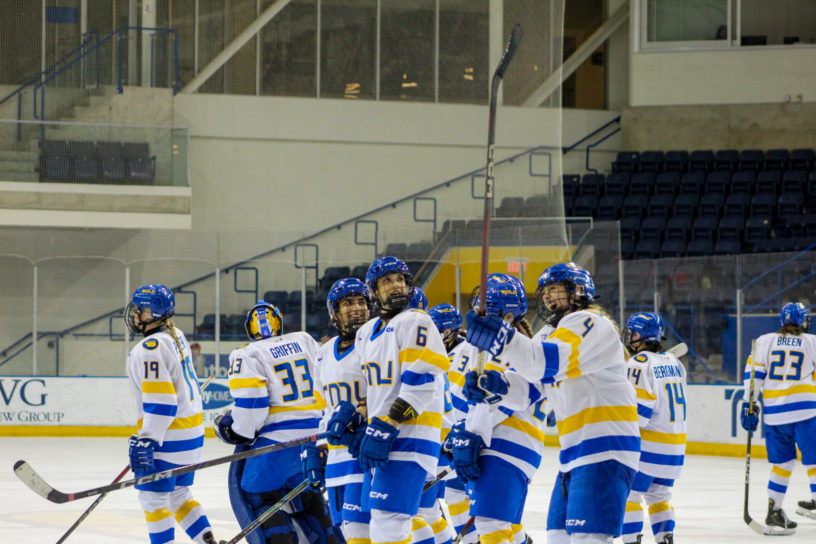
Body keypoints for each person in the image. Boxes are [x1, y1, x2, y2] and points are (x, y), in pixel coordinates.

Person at [464, 262, 640, 544]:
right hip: (575, 453)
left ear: (579, 291)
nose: (546, 297)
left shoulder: (591, 323)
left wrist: (500, 336)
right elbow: (527, 389)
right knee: (558, 537)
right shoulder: (550, 333)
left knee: (588, 539)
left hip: (605, 448)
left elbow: (541, 362)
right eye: (544, 291)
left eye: (554, 289)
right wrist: (492, 386)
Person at [330, 256, 450, 544]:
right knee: (384, 524)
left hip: (412, 435)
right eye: (386, 281)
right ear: (374, 290)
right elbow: (374, 392)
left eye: (400, 279)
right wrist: (357, 416)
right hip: (387, 436)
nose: (395, 285)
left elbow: (420, 382)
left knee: (389, 523)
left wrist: (387, 425)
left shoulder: (415, 320)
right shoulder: (366, 334)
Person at [214, 301, 340, 544]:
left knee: (257, 495)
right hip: (316, 441)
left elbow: (253, 407)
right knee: (307, 493)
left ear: (250, 329)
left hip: (277, 446)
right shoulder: (304, 340)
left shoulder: (246, 354)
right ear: (279, 323)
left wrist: (234, 429)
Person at [448, 274, 544, 544]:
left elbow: (501, 402)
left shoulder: (512, 349)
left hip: (506, 445)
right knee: (499, 521)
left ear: (507, 315)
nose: (480, 315)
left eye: (487, 310)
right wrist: (457, 431)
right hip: (509, 446)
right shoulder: (514, 346)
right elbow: (461, 399)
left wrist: (468, 432)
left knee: (491, 525)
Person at [124, 284, 219, 544]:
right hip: (193, 437)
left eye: (139, 310)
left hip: (169, 439)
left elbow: (162, 403)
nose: (134, 314)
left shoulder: (149, 349)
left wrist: (147, 439)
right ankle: (206, 541)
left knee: (152, 498)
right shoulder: (175, 334)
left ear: (151, 313)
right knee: (178, 493)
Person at [740, 302, 816, 535]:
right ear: (804, 321)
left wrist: (749, 405)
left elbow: (753, 376)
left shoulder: (764, 341)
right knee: (814, 460)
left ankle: (774, 512)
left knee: (782, 464)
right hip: (806, 411)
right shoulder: (812, 341)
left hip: (775, 415)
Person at [314, 278, 372, 543]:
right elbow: (324, 409)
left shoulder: (376, 343)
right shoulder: (324, 353)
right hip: (337, 459)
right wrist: (318, 446)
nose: (356, 308)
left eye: (361, 301)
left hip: (366, 451)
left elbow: (387, 392)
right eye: (348, 303)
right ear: (334, 312)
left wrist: (361, 413)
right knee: (348, 532)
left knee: (365, 532)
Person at [620, 312, 687, 544]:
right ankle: (665, 539)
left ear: (640, 335)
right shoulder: (676, 364)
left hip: (648, 449)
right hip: (675, 450)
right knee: (659, 495)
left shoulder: (638, 364)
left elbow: (638, 416)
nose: (629, 337)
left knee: (629, 495)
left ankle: (631, 541)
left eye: (632, 333)